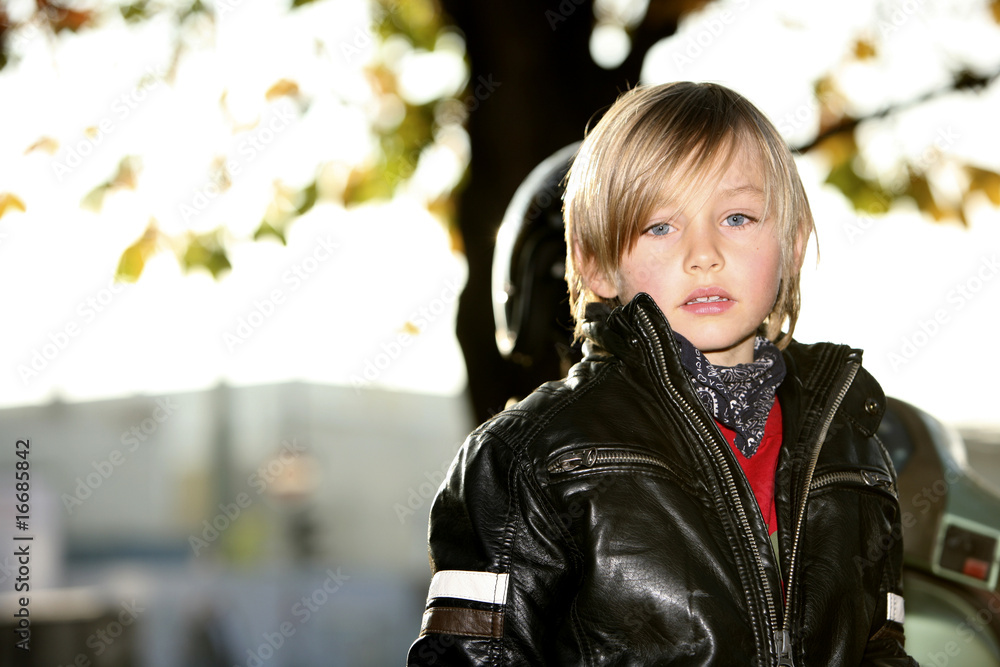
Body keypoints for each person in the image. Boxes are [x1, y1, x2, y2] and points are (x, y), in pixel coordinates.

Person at [406, 81, 917, 665]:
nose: (704, 253)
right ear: (593, 262)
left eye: (739, 217)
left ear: (793, 245)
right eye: (660, 226)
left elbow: (883, 649)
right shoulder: (527, 457)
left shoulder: (855, 454)